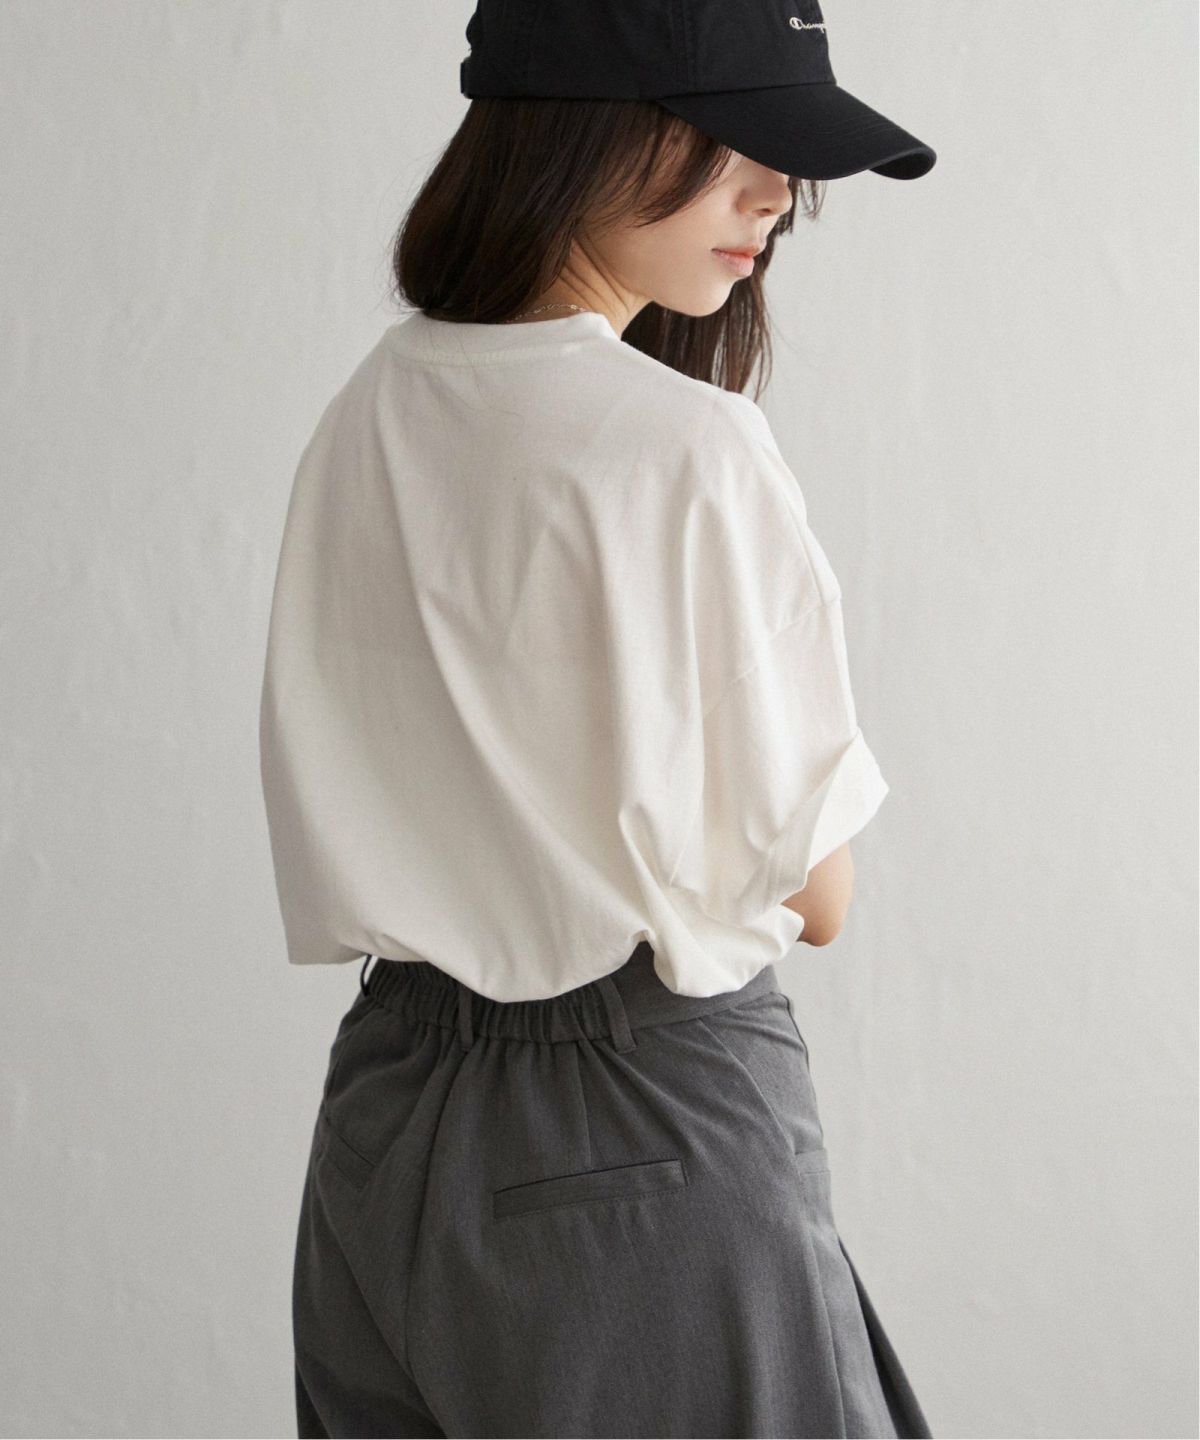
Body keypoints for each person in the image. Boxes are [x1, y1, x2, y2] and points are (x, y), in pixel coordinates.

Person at [258, 1, 938, 1434]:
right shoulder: (691, 448)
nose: (775, 193)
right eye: (732, 141)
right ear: (585, 133)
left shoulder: (363, 413)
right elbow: (817, 891)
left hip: (383, 1121)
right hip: (638, 1120)